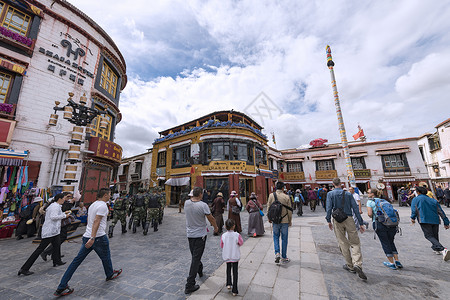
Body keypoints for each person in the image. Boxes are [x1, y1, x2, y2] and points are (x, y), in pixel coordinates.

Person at [54, 188, 122, 297]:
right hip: (97, 237)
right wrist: (93, 238)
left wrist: (90, 237)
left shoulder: (93, 204)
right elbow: (96, 221)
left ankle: (62, 286)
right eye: (109, 194)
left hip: (87, 236)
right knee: (106, 256)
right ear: (105, 195)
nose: (110, 196)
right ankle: (109, 274)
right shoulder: (103, 206)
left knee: (76, 261)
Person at [18, 193, 70, 276]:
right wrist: (64, 215)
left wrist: (64, 213)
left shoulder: (55, 206)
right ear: (59, 199)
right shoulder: (54, 206)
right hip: (50, 231)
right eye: (64, 198)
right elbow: (53, 217)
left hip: (54, 231)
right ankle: (24, 268)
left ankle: (57, 261)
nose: (64, 200)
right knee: (40, 249)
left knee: (57, 245)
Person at [326, 178, 367, 280]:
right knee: (355, 242)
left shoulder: (330, 194)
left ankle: (350, 265)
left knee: (342, 242)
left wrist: (328, 220)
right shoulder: (348, 194)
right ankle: (357, 263)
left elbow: (328, 208)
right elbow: (355, 208)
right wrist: (361, 223)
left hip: (337, 219)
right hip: (349, 218)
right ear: (341, 184)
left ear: (332, 184)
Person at [184, 186, 218, 294]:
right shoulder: (203, 205)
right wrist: (216, 227)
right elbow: (211, 218)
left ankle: (200, 269)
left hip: (190, 234)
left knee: (195, 255)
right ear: (200, 195)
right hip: (200, 235)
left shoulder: (186, 203)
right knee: (195, 258)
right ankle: (190, 284)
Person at [410, 186, 450, 261]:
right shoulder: (433, 200)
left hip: (424, 219)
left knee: (428, 235)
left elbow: (414, 210)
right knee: (434, 235)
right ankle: (436, 249)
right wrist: (446, 222)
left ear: (418, 192)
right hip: (435, 220)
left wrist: (413, 218)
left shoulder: (415, 199)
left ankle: (442, 249)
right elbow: (441, 211)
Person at [366, 189, 402, 270]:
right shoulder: (385, 201)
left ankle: (391, 263)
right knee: (391, 241)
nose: (367, 194)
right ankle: (397, 260)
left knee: (385, 242)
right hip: (391, 224)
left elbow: (369, 214)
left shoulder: (370, 202)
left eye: (368, 193)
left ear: (372, 194)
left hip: (380, 223)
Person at [41, 192, 75, 262]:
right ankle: (47, 252)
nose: (68, 198)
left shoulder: (61, 203)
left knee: (58, 240)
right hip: (57, 224)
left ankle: (55, 256)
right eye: (67, 197)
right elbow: (55, 215)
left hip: (59, 224)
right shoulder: (56, 205)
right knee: (58, 239)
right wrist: (65, 215)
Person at [267, 181, 292, 264]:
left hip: (275, 221)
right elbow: (289, 211)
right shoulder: (286, 197)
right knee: (284, 239)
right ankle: (284, 257)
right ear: (282, 188)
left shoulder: (271, 195)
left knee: (275, 237)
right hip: (284, 220)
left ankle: (277, 253)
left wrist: (269, 218)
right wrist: (290, 220)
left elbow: (268, 208)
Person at [220, 219, 243, 296]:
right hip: (234, 255)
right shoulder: (237, 235)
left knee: (228, 269)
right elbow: (241, 243)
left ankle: (229, 283)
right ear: (234, 226)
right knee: (235, 272)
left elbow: (221, 245)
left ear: (225, 226)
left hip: (227, 255)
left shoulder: (223, 236)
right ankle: (235, 290)